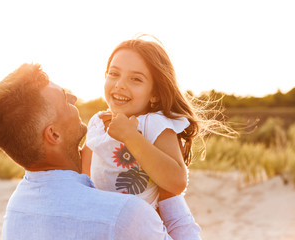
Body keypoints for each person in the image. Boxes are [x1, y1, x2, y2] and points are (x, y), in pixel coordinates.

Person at [0, 63, 201, 240]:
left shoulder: (16, 211)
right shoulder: (124, 216)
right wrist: (168, 194)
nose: (74, 99)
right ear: (54, 135)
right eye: (64, 99)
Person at [82, 35, 232, 210]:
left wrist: (130, 137)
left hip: (143, 228)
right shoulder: (97, 124)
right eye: (114, 74)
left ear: (155, 93)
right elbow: (83, 176)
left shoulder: (154, 124)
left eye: (136, 79)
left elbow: (177, 182)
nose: (120, 84)